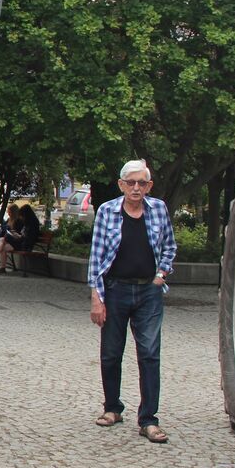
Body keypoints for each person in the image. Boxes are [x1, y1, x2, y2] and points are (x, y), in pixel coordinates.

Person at [88, 159, 177, 444]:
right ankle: (112, 407)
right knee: (111, 353)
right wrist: (96, 297)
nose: (136, 188)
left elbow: (170, 245)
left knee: (150, 354)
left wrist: (161, 274)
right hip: (115, 290)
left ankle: (149, 419)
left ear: (149, 186)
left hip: (148, 291)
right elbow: (97, 256)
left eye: (142, 183)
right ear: (121, 185)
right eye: (131, 183)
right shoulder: (107, 211)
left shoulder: (159, 209)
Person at [0, 203, 39, 274]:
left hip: (24, 245)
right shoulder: (27, 222)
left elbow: (28, 238)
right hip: (19, 243)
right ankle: (1, 267)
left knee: (3, 240)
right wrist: (16, 234)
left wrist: (18, 236)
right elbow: (23, 234)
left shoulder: (32, 223)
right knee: (2, 244)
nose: (21, 217)